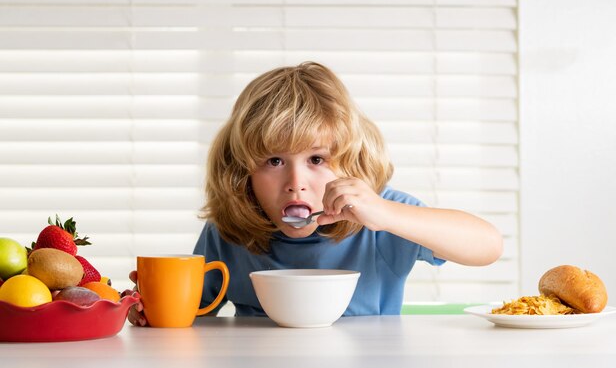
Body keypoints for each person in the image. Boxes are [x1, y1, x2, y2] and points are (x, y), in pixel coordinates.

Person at [126, 61, 502, 325]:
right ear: (243, 170)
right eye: (274, 161)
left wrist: (386, 214)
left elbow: (487, 246)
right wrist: (147, 309)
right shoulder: (229, 230)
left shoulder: (382, 218)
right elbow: (192, 314)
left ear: (350, 163)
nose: (296, 182)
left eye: (317, 159)